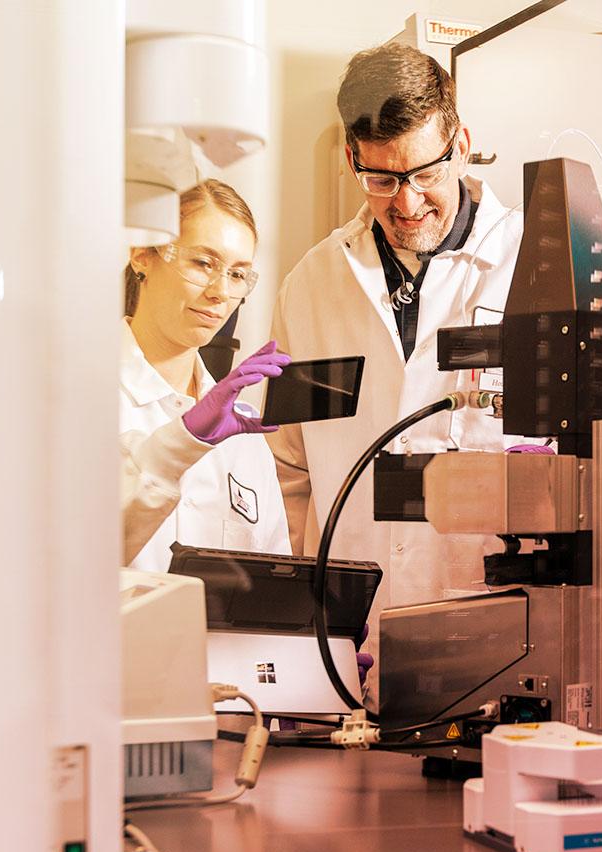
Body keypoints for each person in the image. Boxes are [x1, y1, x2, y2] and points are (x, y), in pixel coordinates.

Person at [269, 44, 526, 676]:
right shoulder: (313, 285)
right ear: (352, 159)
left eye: (424, 174)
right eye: (381, 179)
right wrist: (297, 637)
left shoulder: (533, 267)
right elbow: (291, 473)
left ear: (461, 144)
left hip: (497, 624)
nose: (406, 204)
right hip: (349, 641)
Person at [121, 180, 292, 572]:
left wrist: (312, 621)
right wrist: (185, 440)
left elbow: (272, 569)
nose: (220, 293)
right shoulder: (79, 394)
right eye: (203, 263)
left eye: (237, 274)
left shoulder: (243, 435)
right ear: (142, 254)